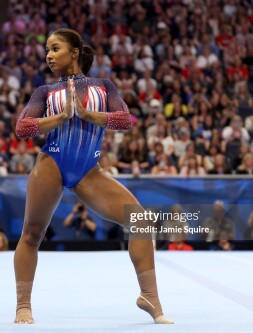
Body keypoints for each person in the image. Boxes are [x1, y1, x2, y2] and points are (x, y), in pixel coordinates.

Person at [13, 29, 173, 324]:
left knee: (139, 221)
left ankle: (150, 296)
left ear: (74, 52)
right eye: (47, 50)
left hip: (89, 171)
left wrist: (87, 114)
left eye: (55, 48)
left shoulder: (104, 86)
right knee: (32, 233)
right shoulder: (45, 92)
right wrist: (61, 117)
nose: (48, 55)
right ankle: (23, 305)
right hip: (52, 163)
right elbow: (22, 127)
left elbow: (125, 120)